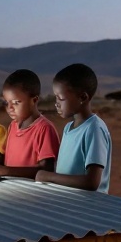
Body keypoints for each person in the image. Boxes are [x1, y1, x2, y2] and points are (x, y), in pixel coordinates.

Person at [35, 63, 111, 192]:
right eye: (55, 97)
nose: (56, 104)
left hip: (88, 204)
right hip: (69, 200)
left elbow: (91, 182)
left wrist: (49, 177)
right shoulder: (68, 128)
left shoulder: (94, 129)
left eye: (61, 98)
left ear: (83, 97)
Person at [0, 69, 58, 177]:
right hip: (10, 184)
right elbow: (2, 155)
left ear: (34, 100)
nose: (10, 108)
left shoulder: (44, 129)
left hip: (28, 187)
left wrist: (6, 171)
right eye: (6, 102)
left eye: (16, 102)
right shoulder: (13, 126)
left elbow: (46, 169)